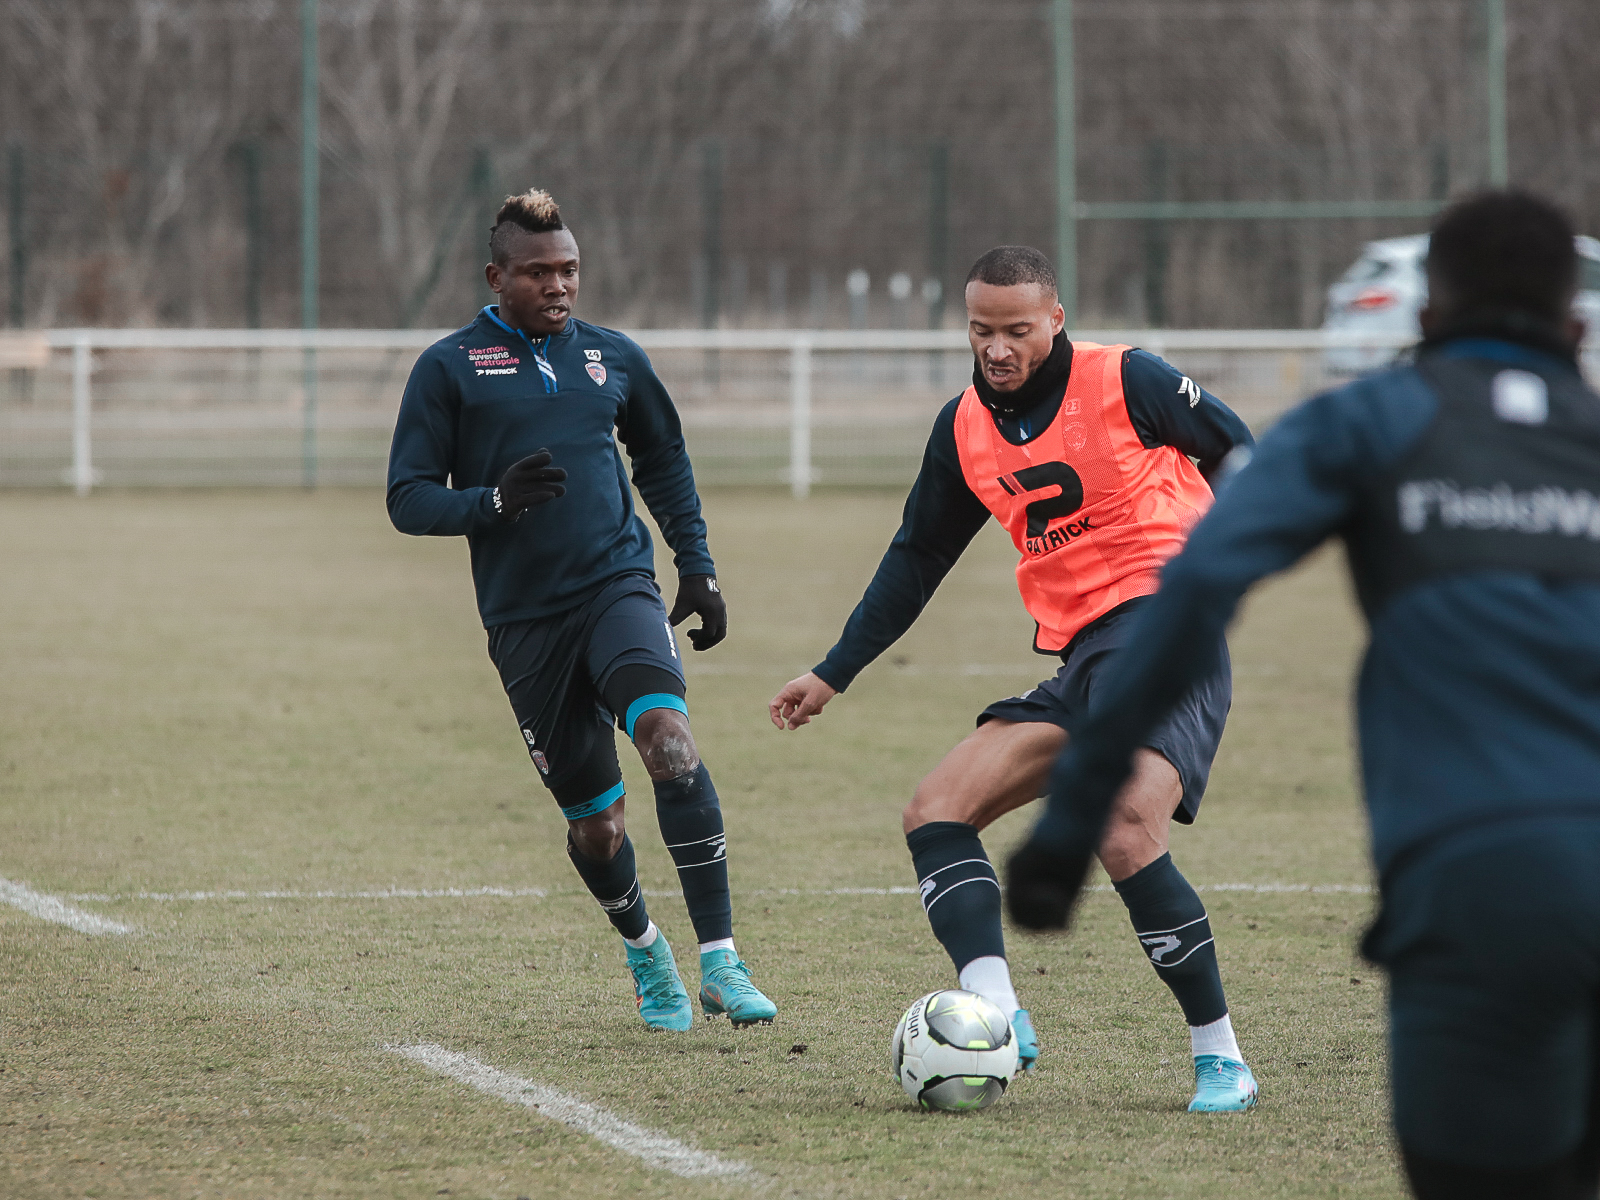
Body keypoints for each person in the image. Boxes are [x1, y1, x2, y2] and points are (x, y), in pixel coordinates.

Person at [1008, 190, 1600, 1197]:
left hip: (1478, 877)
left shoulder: (1368, 418)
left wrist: (1069, 829)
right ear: (1577, 327)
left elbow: (1192, 591)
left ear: (1421, 319)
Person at [768, 245, 1259, 1110]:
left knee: (1123, 822)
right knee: (936, 809)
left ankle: (1221, 1057)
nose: (997, 347)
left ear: (1056, 320)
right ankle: (997, 1008)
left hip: (1166, 633)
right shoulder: (963, 427)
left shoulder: (1128, 378)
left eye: (1018, 330)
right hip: (1084, 659)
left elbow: (1236, 453)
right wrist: (833, 671)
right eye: (981, 329)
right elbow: (917, 556)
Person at [387, 188, 776, 1032]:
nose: (558, 286)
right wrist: (489, 503)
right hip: (525, 624)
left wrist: (699, 571)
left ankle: (722, 960)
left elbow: (665, 463)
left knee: (668, 741)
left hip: (617, 587)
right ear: (497, 277)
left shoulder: (614, 358)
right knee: (598, 826)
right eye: (537, 273)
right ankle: (646, 951)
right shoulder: (449, 367)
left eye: (568, 270)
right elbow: (407, 499)